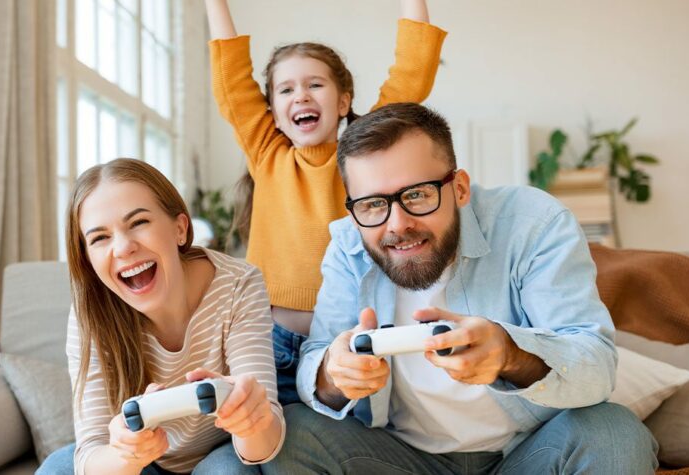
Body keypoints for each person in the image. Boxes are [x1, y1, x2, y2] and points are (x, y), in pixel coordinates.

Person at [263, 103, 659, 474]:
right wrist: (335, 374)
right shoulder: (349, 245)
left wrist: (511, 355)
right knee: (291, 432)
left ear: (460, 188)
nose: (397, 224)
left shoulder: (534, 223)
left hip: (528, 452)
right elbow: (317, 360)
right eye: (372, 205)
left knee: (614, 431)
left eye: (416, 195)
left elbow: (596, 364)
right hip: (398, 457)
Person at [204, 0, 447, 406]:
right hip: (269, 344)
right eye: (286, 89)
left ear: (342, 102)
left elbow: (412, 74)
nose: (301, 95)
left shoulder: (364, 159)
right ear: (274, 114)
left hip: (345, 348)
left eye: (315, 84)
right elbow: (230, 80)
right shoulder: (266, 153)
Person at [37, 159, 283, 475]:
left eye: (138, 222)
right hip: (144, 463)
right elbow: (90, 457)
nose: (124, 248)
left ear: (179, 229)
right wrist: (127, 455)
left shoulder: (238, 284)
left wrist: (251, 420)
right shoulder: (90, 314)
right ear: (87, 260)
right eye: (100, 238)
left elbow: (264, 446)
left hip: (223, 453)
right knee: (57, 469)